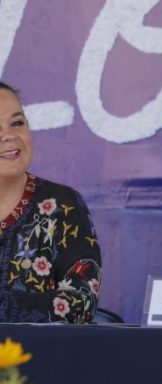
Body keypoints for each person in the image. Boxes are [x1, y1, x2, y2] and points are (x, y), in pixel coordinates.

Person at [0, 82, 101, 322]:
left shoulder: (62, 205)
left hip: (39, 357)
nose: (9, 136)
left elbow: (81, 301)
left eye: (17, 123)